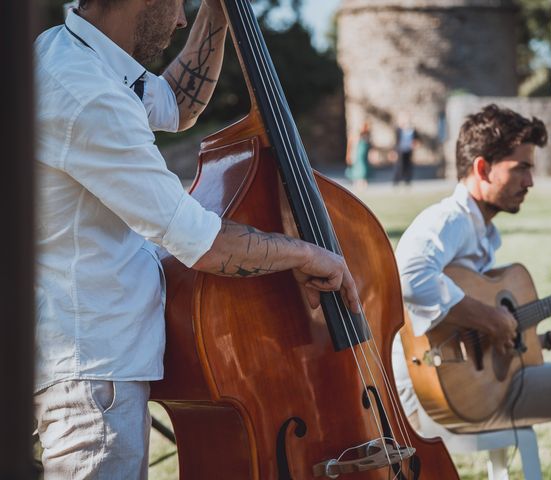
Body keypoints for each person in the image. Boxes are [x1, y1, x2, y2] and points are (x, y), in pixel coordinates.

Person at [33, 0, 359, 478]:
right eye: (177, 4)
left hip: (86, 359)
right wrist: (309, 254)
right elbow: (202, 242)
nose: (182, 19)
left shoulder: (71, 53)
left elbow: (176, 106)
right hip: (91, 372)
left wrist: (217, 14)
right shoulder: (87, 96)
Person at [392, 104, 551, 478]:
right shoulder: (449, 219)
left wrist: (550, 339)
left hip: (472, 387)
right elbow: (408, 275)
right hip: (429, 394)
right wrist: (491, 317)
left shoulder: (481, 233)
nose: (530, 182)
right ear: (481, 168)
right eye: (521, 168)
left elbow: (484, 344)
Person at [392, 113, 418, 185]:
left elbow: (416, 139)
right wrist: (394, 151)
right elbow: (396, 141)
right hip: (401, 150)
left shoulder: (412, 130)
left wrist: (414, 144)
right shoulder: (399, 130)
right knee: (399, 165)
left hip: (408, 150)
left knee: (408, 165)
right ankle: (397, 180)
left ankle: (407, 180)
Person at [346, 121, 372, 190]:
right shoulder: (356, 136)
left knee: (363, 168)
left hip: (363, 155)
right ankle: (358, 183)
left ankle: (362, 183)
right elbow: (354, 146)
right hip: (358, 155)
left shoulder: (366, 135)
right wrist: (352, 155)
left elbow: (368, 146)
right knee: (359, 168)